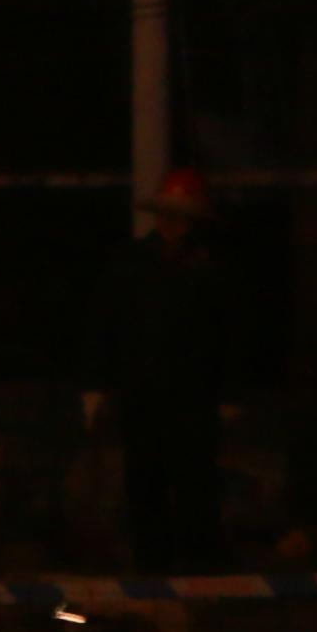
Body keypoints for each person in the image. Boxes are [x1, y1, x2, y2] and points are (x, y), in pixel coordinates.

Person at [96, 166, 228, 571]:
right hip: (145, 397)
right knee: (145, 488)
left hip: (192, 401)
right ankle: (151, 573)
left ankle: (196, 574)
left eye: (180, 216)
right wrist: (103, 384)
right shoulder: (134, 264)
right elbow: (110, 325)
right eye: (168, 214)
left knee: (194, 491)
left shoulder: (210, 268)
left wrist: (228, 393)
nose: (172, 223)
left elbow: (227, 334)